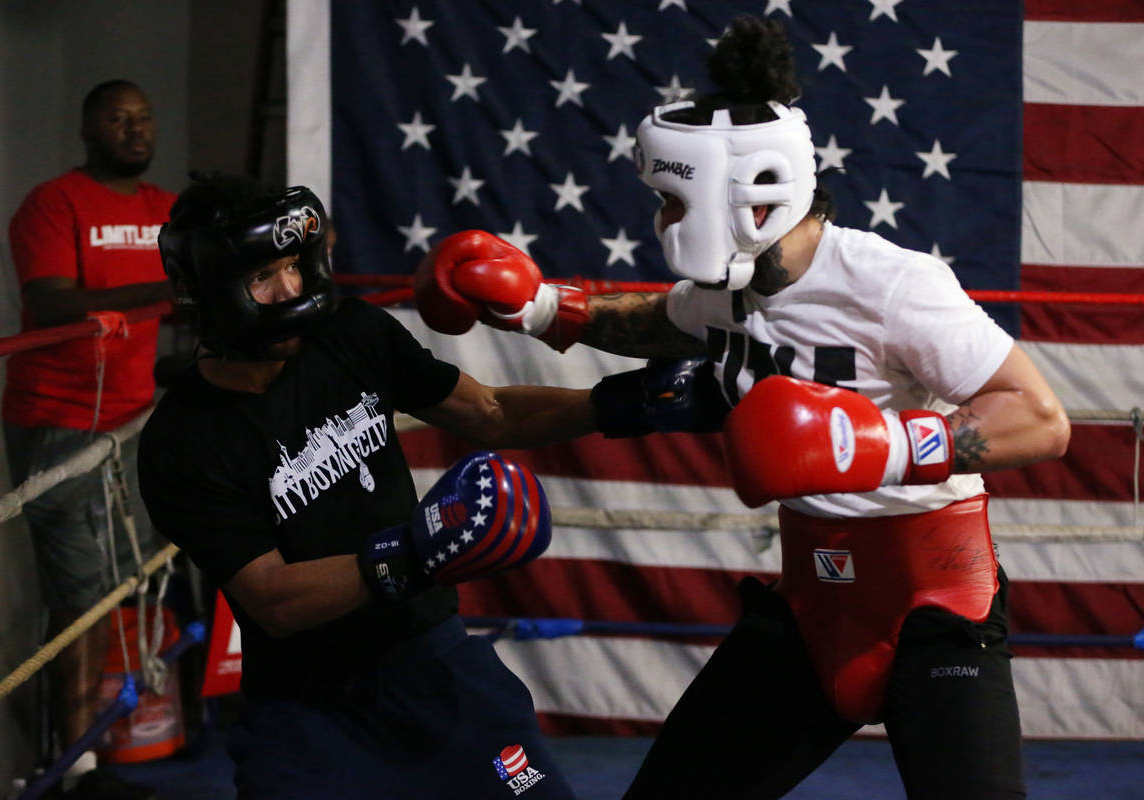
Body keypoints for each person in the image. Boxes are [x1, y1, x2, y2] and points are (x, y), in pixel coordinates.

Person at [413, 16, 1071, 799]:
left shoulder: (891, 283)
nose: (662, 221)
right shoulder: (732, 290)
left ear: (743, 200)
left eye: (671, 202)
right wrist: (545, 309)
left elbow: (1038, 418)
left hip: (938, 603)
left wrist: (882, 446)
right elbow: (659, 320)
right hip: (813, 608)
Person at [137, 172, 659, 798]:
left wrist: (622, 404)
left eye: (294, 265)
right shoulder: (183, 440)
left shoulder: (349, 334)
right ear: (207, 291)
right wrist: (411, 554)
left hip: (431, 660)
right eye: (262, 276)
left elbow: (490, 412)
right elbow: (273, 599)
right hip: (309, 711)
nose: (291, 290)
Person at [2, 79, 175, 798]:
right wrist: (166, 290)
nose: (135, 130)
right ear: (88, 128)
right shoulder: (53, 203)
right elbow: (51, 303)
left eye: (144, 118)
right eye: (118, 119)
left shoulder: (165, 209)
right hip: (59, 420)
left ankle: (84, 757)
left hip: (131, 419)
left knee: (111, 586)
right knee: (79, 591)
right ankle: (72, 769)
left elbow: (217, 264)